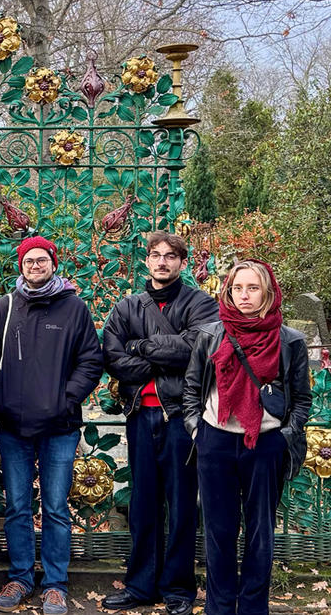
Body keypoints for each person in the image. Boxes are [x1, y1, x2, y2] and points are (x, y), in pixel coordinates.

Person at [0, 236, 103, 615]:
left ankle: (54, 584)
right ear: (20, 265)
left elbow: (91, 360)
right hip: (14, 427)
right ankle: (20, 577)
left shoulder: (74, 308)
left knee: (54, 507)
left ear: (53, 262)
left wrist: (66, 399)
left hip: (60, 427)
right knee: (17, 506)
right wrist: (2, 397)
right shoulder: (6, 308)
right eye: (29, 261)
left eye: (42, 260)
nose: (35, 266)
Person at [182, 259, 311, 615]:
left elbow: (302, 400)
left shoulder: (290, 341)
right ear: (228, 291)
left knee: (260, 533)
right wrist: (198, 430)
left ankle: (254, 607)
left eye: (253, 288)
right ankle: (219, 607)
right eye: (237, 288)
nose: (244, 296)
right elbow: (192, 388)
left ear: (268, 292)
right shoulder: (211, 334)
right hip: (216, 442)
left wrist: (284, 435)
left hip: (265, 445)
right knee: (218, 532)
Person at [100, 232, 218, 615]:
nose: (162, 262)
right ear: (146, 261)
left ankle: (179, 589)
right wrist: (163, 355)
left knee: (183, 504)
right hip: (141, 414)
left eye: (171, 256)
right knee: (144, 504)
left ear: (182, 262)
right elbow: (114, 357)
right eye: (156, 255)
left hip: (181, 417)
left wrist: (142, 346)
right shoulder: (127, 307)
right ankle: (140, 586)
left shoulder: (201, 304)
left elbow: (198, 349)